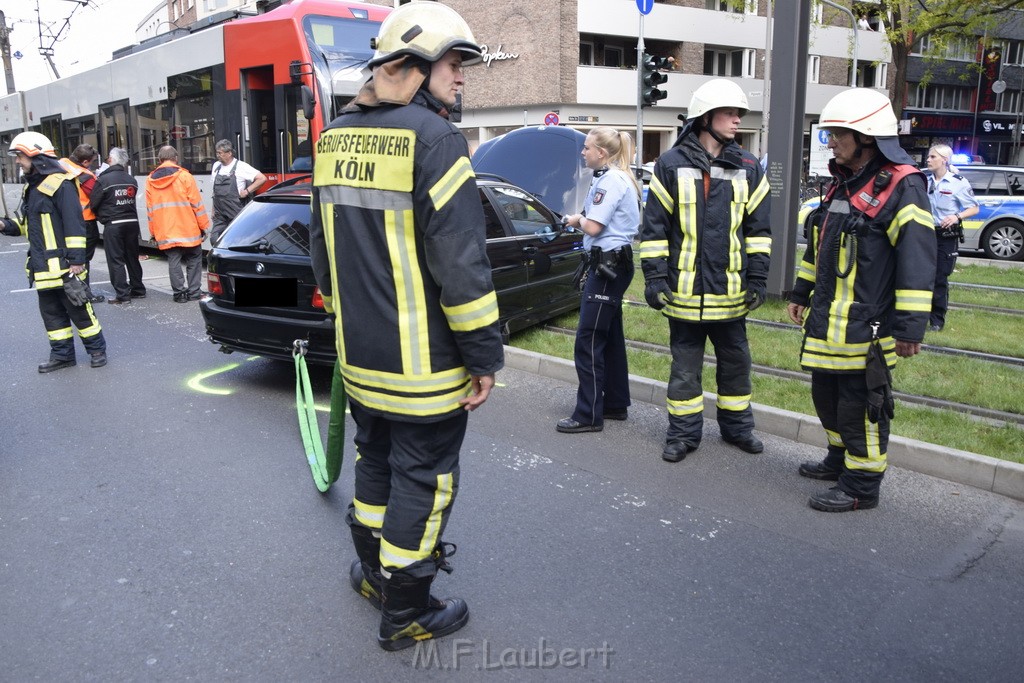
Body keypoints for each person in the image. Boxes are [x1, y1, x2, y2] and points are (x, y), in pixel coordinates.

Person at [307, 1, 504, 652]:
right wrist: (484, 356)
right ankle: (407, 610)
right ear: (413, 68)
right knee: (423, 481)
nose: (463, 77)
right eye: (454, 63)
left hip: (362, 360)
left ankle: (373, 576)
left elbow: (322, 253)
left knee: (376, 465)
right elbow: (462, 265)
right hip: (425, 369)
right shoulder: (437, 139)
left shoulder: (335, 136)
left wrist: (347, 317)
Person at [786, 88, 936, 512]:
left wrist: (909, 328)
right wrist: (801, 292)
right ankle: (839, 460)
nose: (829, 142)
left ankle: (861, 487)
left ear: (867, 137)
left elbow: (917, 261)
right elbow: (820, 247)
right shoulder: (843, 181)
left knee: (861, 406)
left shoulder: (903, 185)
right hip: (828, 320)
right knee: (826, 398)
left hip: (868, 324)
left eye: (837, 134)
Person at [640, 78, 772, 463]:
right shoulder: (670, 164)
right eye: (730, 113)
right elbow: (654, 229)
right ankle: (682, 434)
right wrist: (654, 277)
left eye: (738, 114)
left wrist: (759, 278)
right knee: (685, 370)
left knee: (736, 364)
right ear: (705, 118)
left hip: (731, 291)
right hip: (684, 292)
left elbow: (758, 231)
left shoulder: (749, 167)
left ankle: (737, 429)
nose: (737, 121)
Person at [556, 127, 640, 433]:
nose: (583, 152)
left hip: (608, 269)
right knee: (610, 336)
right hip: (612, 265)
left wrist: (574, 219)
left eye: (587, 148)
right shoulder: (614, 178)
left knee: (588, 338)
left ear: (601, 153)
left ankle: (588, 414)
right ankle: (615, 404)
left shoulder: (611, 181)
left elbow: (592, 227)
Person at [2, 132, 107, 372]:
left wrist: (77, 260)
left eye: (20, 156)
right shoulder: (33, 188)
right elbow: (27, 224)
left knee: (80, 311)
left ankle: (97, 350)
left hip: (63, 266)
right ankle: (62, 356)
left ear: (36, 156)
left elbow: (74, 223)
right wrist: (4, 225)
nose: (18, 161)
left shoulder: (61, 183)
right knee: (52, 317)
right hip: (41, 267)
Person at [924, 144, 979, 332]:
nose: (928, 160)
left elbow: (974, 208)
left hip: (945, 236)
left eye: (932, 157)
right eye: (928, 157)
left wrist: (957, 217)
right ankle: (920, 317)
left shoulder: (958, 182)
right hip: (924, 234)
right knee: (921, 277)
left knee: (939, 278)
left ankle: (937, 321)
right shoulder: (924, 180)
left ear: (944, 160)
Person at [145, 146, 209, 302]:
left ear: (159, 160)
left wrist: (153, 232)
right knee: (194, 258)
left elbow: (150, 210)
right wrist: (204, 226)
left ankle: (179, 294)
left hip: (166, 230)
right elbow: (196, 204)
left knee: (173, 260)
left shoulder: (150, 180)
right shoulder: (185, 176)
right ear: (175, 158)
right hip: (188, 227)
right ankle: (194, 292)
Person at [90, 147, 147, 304]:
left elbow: (93, 202)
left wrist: (101, 216)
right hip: (132, 223)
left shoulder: (103, 180)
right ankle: (138, 289)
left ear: (110, 160)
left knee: (116, 259)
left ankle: (122, 294)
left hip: (113, 223)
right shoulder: (131, 180)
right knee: (132, 257)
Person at [60, 143, 105, 303]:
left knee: (71, 257)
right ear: (85, 162)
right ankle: (84, 293)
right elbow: (98, 194)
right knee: (82, 259)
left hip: (65, 220)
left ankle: (74, 290)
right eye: (91, 162)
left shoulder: (62, 164)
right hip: (85, 221)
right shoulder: (84, 175)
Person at [210, 139, 267, 242]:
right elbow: (215, 191)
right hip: (220, 214)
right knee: (215, 240)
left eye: (220, 153)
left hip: (235, 212)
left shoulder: (241, 166)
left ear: (229, 153)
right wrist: (213, 209)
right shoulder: (216, 166)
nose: (217, 155)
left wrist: (247, 191)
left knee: (236, 241)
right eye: (217, 152)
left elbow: (262, 178)